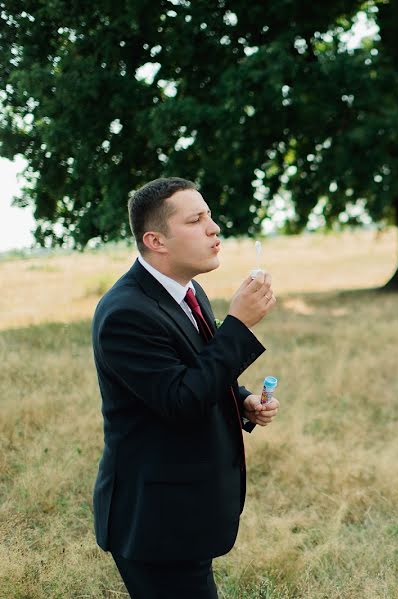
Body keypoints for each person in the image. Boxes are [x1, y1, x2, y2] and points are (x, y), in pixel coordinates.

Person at [91, 177, 280, 598]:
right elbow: (180, 401)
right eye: (196, 220)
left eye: (209, 216)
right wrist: (239, 325)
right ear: (156, 240)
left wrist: (242, 398)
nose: (213, 228)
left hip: (183, 510)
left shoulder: (190, 290)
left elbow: (197, 370)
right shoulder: (125, 313)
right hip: (154, 522)